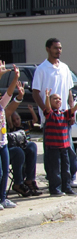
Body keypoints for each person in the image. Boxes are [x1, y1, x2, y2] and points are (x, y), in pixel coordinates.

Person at [32, 38, 77, 188]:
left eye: (60, 48)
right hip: (50, 119)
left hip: (64, 117)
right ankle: (53, 179)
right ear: (48, 49)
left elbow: (69, 92)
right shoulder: (41, 69)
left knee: (69, 149)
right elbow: (35, 92)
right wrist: (46, 111)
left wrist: (71, 111)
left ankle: (71, 177)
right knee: (51, 152)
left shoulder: (65, 68)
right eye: (55, 48)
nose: (58, 51)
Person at [43, 87, 77, 197]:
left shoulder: (64, 113)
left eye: (59, 99)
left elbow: (74, 109)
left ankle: (66, 187)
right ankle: (55, 189)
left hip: (64, 147)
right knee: (55, 170)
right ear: (50, 102)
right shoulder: (50, 114)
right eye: (54, 98)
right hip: (52, 147)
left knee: (66, 169)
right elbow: (47, 108)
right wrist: (46, 96)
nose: (58, 100)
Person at [5, 82, 41, 197]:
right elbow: (8, 113)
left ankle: (30, 179)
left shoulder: (19, 124)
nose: (16, 122)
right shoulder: (7, 121)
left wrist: (20, 96)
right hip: (7, 151)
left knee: (32, 146)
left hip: (14, 147)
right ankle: (18, 183)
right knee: (18, 151)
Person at [0, 62, 20, 209]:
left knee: (5, 172)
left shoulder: (1, 106)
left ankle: (2, 198)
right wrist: (1, 75)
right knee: (0, 172)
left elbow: (9, 93)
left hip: (3, 143)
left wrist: (15, 77)